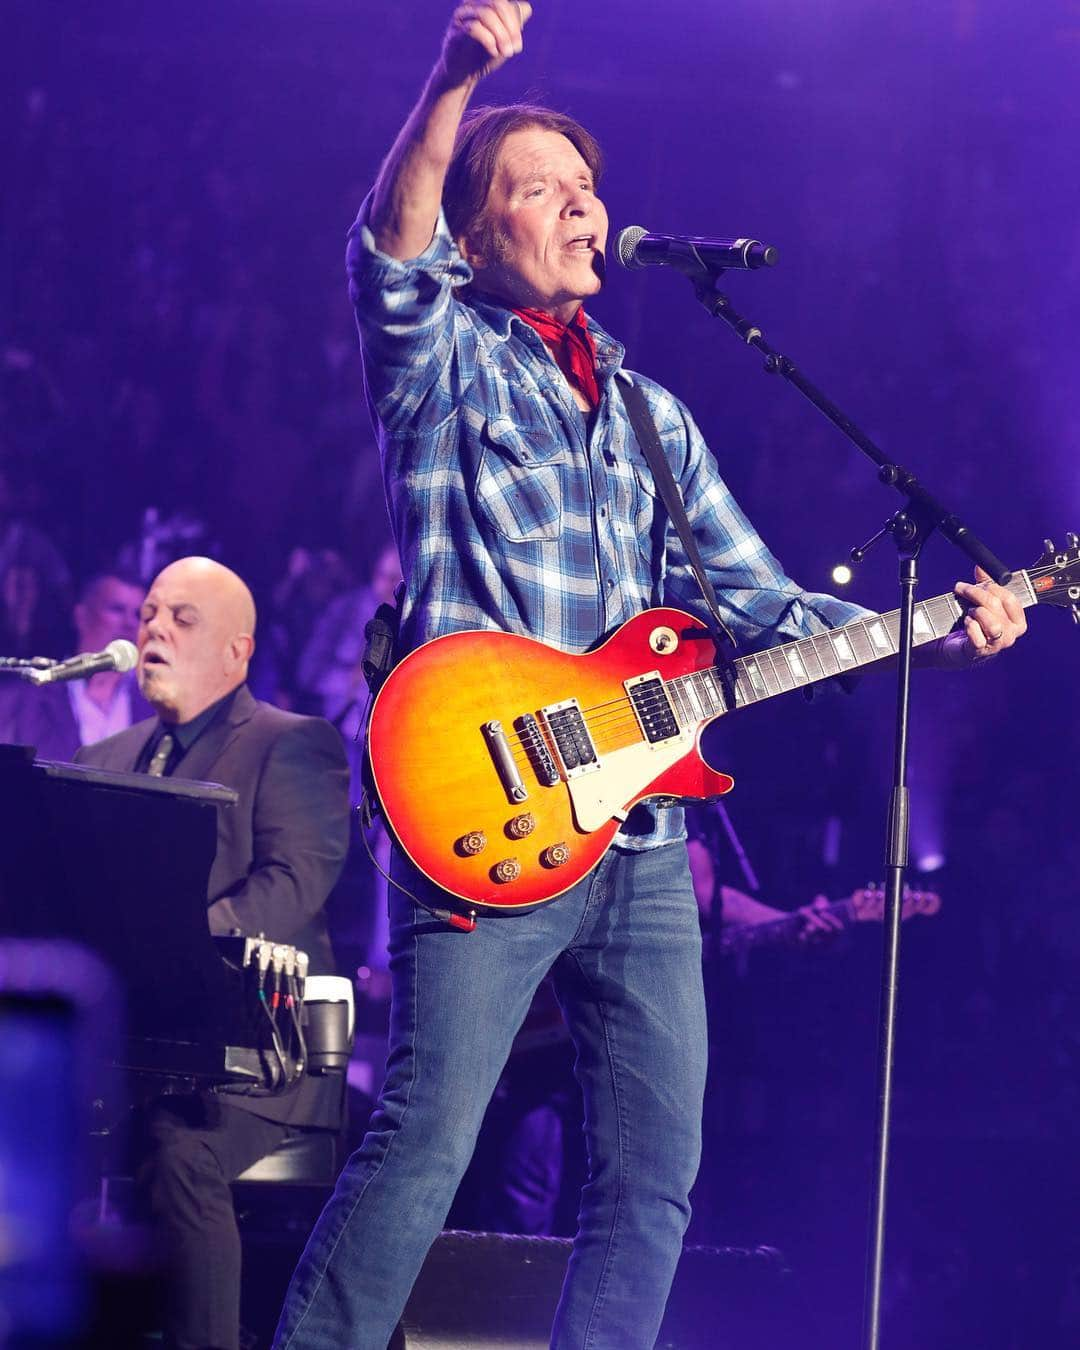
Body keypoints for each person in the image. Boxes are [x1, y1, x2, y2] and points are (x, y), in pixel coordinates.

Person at [273, 7, 1026, 1348]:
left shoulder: (652, 416)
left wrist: (936, 626)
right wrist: (455, 82)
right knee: (425, 1141)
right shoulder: (444, 365)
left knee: (652, 1180)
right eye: (540, 189)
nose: (581, 204)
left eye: (586, 185)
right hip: (483, 805)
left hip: (647, 841)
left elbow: (761, 607)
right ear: (478, 234)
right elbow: (386, 255)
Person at [76, 555, 351, 1350]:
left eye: (182, 618)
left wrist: (166, 950)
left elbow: (290, 886)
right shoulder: (104, 761)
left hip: (254, 1060)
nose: (154, 628)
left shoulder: (291, 745)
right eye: (149, 614)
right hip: (130, 1055)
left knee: (177, 1143)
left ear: (238, 651)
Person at [0, 570, 149, 760]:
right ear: (82, 616)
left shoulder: (150, 701)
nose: (130, 623)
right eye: (117, 609)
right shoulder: (24, 700)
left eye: (138, 614)